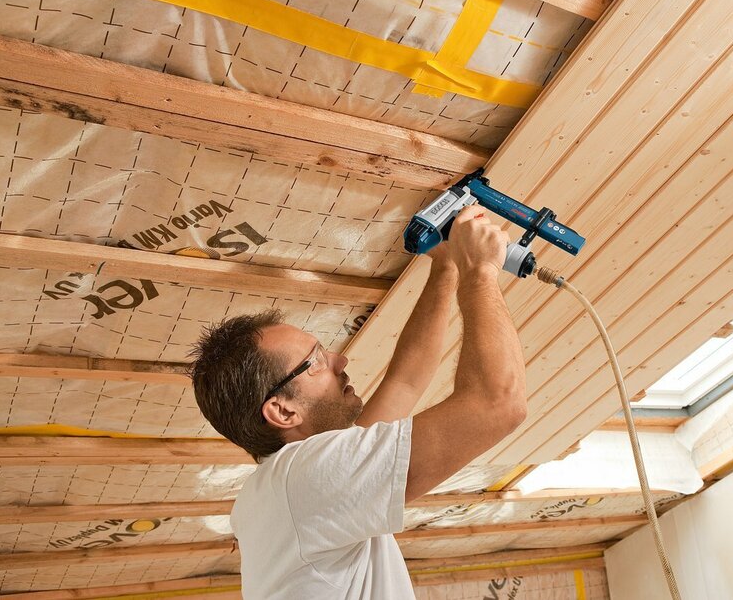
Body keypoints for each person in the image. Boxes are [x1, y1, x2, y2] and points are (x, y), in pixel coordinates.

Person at [188, 205, 527, 599]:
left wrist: (446, 265)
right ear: (282, 410)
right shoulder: (305, 479)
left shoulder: (289, 486)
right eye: (315, 362)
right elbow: (498, 403)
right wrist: (480, 271)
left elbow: (405, 380)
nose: (340, 360)